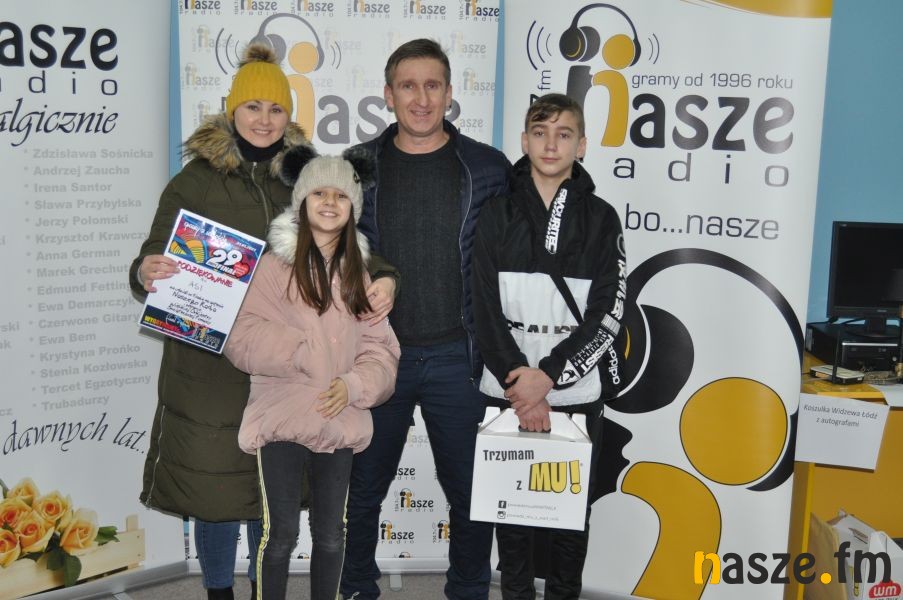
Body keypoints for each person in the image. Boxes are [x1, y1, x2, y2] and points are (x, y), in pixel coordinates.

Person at [129, 44, 396, 600]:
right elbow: (156, 252)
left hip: (285, 367)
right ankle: (219, 590)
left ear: (288, 115)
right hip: (208, 364)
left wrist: (386, 276)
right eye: (253, 107)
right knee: (214, 490)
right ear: (232, 110)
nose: (264, 119)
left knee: (267, 493)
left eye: (276, 109)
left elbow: (348, 238)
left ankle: (259, 587)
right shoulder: (194, 181)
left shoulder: (303, 174)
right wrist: (145, 270)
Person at [339, 39, 510, 600]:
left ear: (450, 93)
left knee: (470, 493)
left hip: (459, 357)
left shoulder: (487, 167)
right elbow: (331, 247)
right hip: (377, 354)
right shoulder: (355, 166)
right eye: (408, 86)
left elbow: (519, 245)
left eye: (432, 85)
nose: (421, 98)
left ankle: (467, 590)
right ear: (388, 95)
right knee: (364, 490)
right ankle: (357, 588)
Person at [224, 146, 401, 600]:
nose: (329, 202)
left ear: (353, 209)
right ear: (301, 200)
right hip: (282, 415)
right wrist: (304, 350)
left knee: (331, 533)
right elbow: (241, 336)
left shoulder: (360, 275)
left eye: (340, 196)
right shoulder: (270, 268)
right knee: (280, 534)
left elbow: (381, 350)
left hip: (339, 417)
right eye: (319, 192)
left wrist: (354, 385)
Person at [471, 93, 627, 600]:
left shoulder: (602, 219)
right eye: (540, 133)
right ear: (524, 141)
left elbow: (609, 311)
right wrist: (521, 382)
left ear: (582, 146)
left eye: (564, 134)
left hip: (575, 392)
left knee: (569, 521)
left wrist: (550, 376)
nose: (551, 144)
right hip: (508, 390)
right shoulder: (496, 213)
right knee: (512, 518)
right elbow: (481, 306)